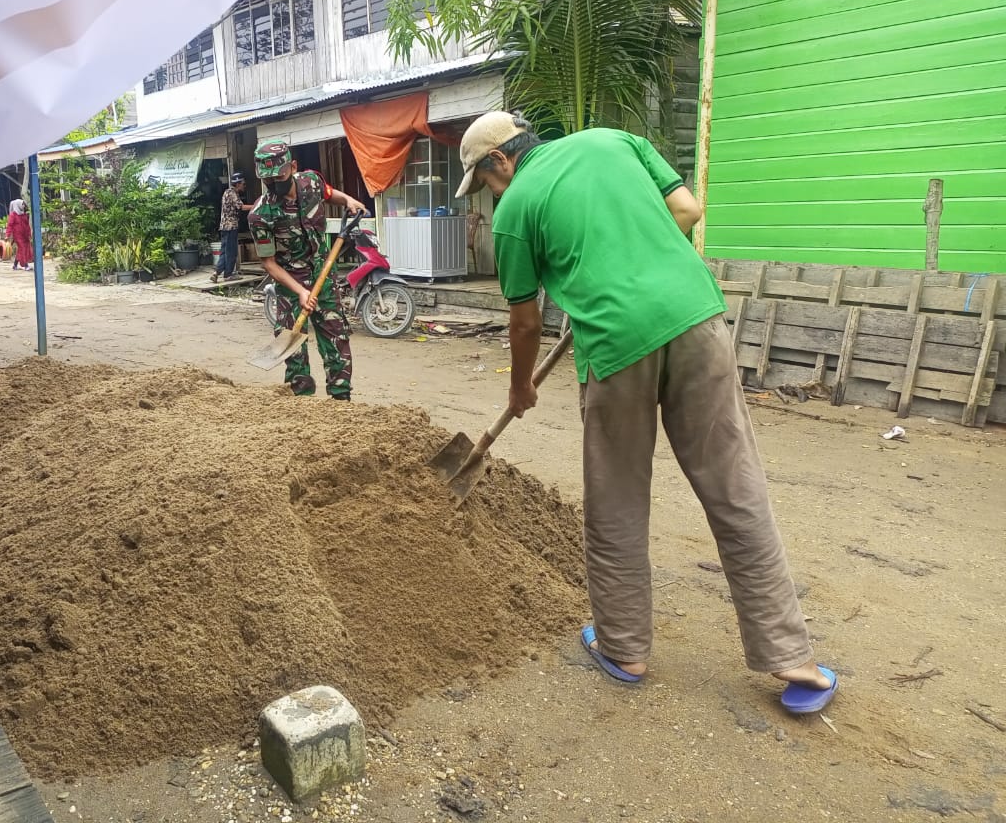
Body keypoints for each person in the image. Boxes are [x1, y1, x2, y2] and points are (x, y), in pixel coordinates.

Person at [456, 111, 838, 715]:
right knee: (735, 486)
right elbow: (687, 211)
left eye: (485, 180)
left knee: (617, 498)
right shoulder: (614, 141)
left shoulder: (515, 210)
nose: (490, 192)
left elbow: (525, 321)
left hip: (615, 345)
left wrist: (520, 388)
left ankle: (624, 648)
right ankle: (792, 658)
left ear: (499, 160)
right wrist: (637, 266)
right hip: (696, 320)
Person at [248, 140, 368, 401]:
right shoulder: (260, 215)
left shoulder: (310, 182)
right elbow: (269, 263)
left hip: (323, 277)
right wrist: (300, 291)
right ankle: (302, 405)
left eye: (278, 177)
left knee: (336, 338)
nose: (273, 184)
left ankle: (341, 400)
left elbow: (328, 193)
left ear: (293, 167)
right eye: (267, 180)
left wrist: (348, 200)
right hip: (290, 284)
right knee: (293, 349)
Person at [210, 172, 252, 284]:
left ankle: (216, 272)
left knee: (224, 251)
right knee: (231, 251)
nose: (244, 186)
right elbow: (241, 207)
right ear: (237, 184)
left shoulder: (226, 192)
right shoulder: (232, 193)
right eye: (243, 184)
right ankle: (228, 274)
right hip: (230, 226)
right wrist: (256, 206)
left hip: (224, 226)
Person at [5, 198, 34, 270]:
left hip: (25, 235)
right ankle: (25, 265)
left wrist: (29, 234)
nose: (23, 206)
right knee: (22, 248)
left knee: (23, 249)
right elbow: (10, 225)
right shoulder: (13, 215)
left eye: (24, 204)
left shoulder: (24, 214)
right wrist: (7, 235)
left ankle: (15, 265)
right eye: (22, 204)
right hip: (17, 236)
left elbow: (27, 225)